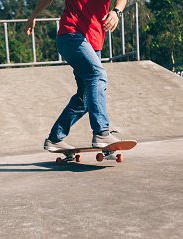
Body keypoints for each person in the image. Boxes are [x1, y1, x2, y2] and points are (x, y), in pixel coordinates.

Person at [25, 0, 127, 151]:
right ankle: (101, 133)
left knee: (84, 98)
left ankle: (55, 139)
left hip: (94, 42)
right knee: (97, 76)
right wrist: (33, 16)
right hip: (71, 34)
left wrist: (116, 11)